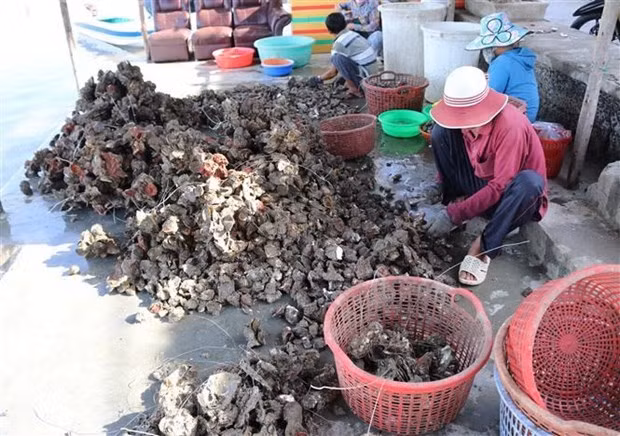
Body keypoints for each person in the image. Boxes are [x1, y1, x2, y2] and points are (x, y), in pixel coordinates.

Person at [423, 66, 547, 286]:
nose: (462, 126)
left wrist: (455, 215)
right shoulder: (463, 128)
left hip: (512, 200)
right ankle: (452, 193)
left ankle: (484, 246)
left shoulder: (511, 127)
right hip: (482, 184)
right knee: (440, 132)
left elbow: (501, 185)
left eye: (466, 118)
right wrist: (443, 184)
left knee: (530, 183)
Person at [465, 12, 539, 123]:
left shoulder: (502, 62)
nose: (489, 49)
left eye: (491, 46)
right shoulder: (520, 57)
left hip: (516, 119)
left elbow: (490, 94)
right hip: (529, 115)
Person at [316, 12, 380, 98]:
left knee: (337, 58)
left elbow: (332, 73)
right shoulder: (352, 34)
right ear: (345, 24)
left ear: (329, 30)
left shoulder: (339, 44)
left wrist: (318, 79)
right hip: (373, 77)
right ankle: (354, 84)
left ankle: (355, 90)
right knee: (343, 64)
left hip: (367, 81)